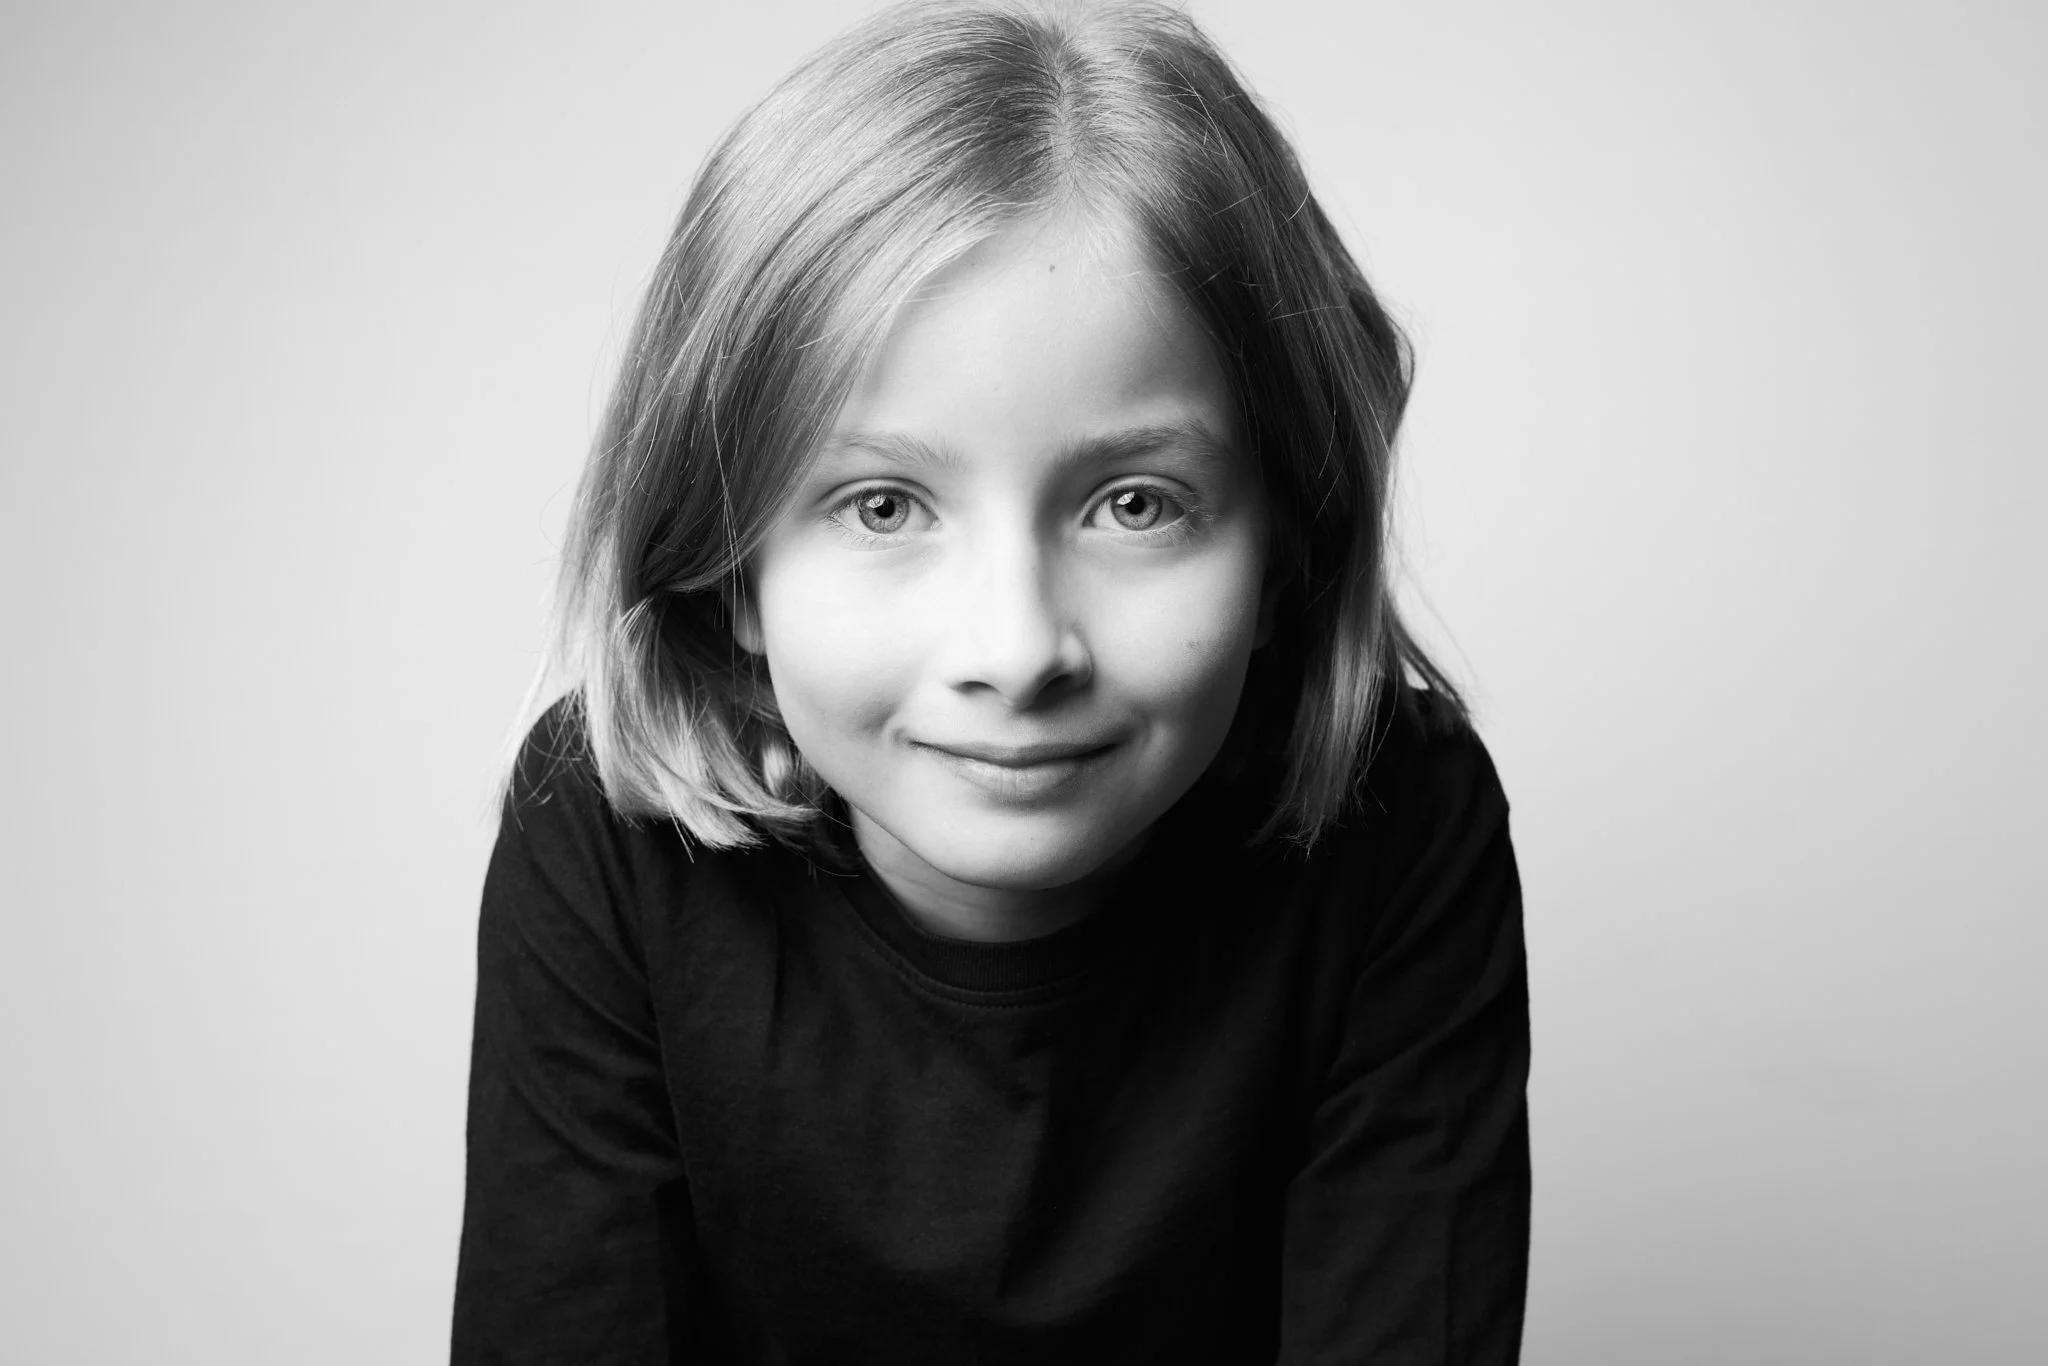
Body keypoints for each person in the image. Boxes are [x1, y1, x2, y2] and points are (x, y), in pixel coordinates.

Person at [451, 0, 1530, 1360]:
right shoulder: (609, 839)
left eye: (1137, 504)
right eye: (885, 506)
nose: (1017, 651)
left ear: (1286, 548)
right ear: (730, 567)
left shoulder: (1399, 829)